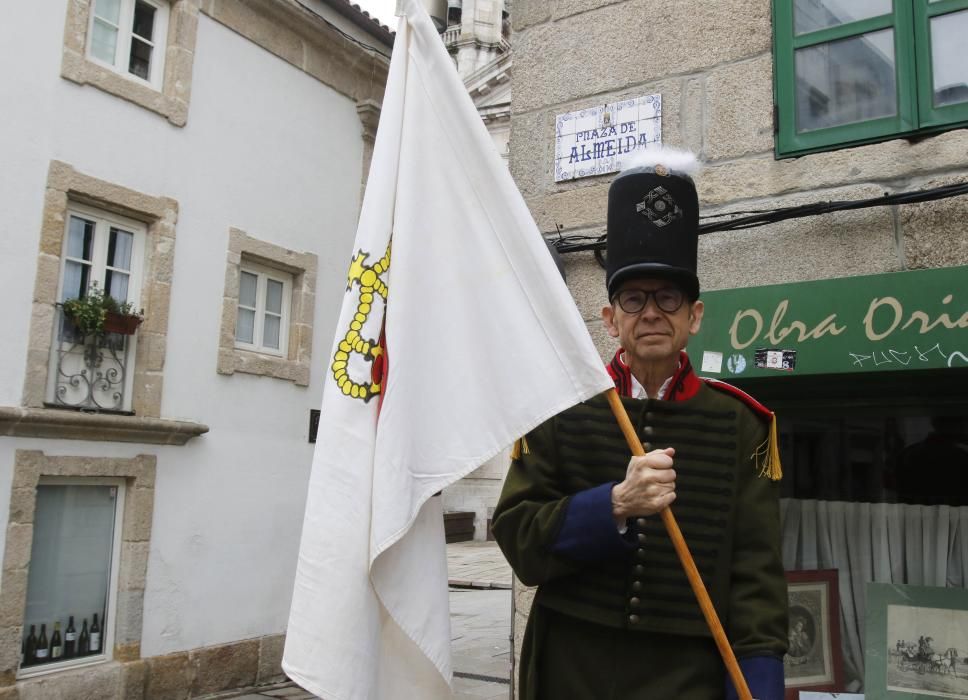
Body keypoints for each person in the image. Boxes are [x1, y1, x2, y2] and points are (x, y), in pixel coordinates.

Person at [492, 148, 788, 700]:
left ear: (694, 316)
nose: (651, 312)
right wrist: (613, 504)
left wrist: (759, 687)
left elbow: (756, 579)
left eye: (669, 297)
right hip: (572, 669)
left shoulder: (741, 423)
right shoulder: (559, 409)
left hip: (688, 677)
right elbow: (518, 539)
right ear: (610, 319)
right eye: (633, 298)